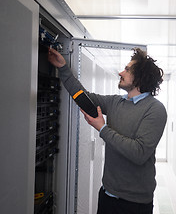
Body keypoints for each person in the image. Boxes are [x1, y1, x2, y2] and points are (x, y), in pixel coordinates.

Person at [48, 47, 167, 214]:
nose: (120, 73)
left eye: (126, 69)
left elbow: (139, 153)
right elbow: (83, 97)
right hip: (107, 195)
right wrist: (63, 68)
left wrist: (102, 128)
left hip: (135, 203)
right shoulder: (115, 102)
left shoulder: (155, 109)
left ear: (140, 77)